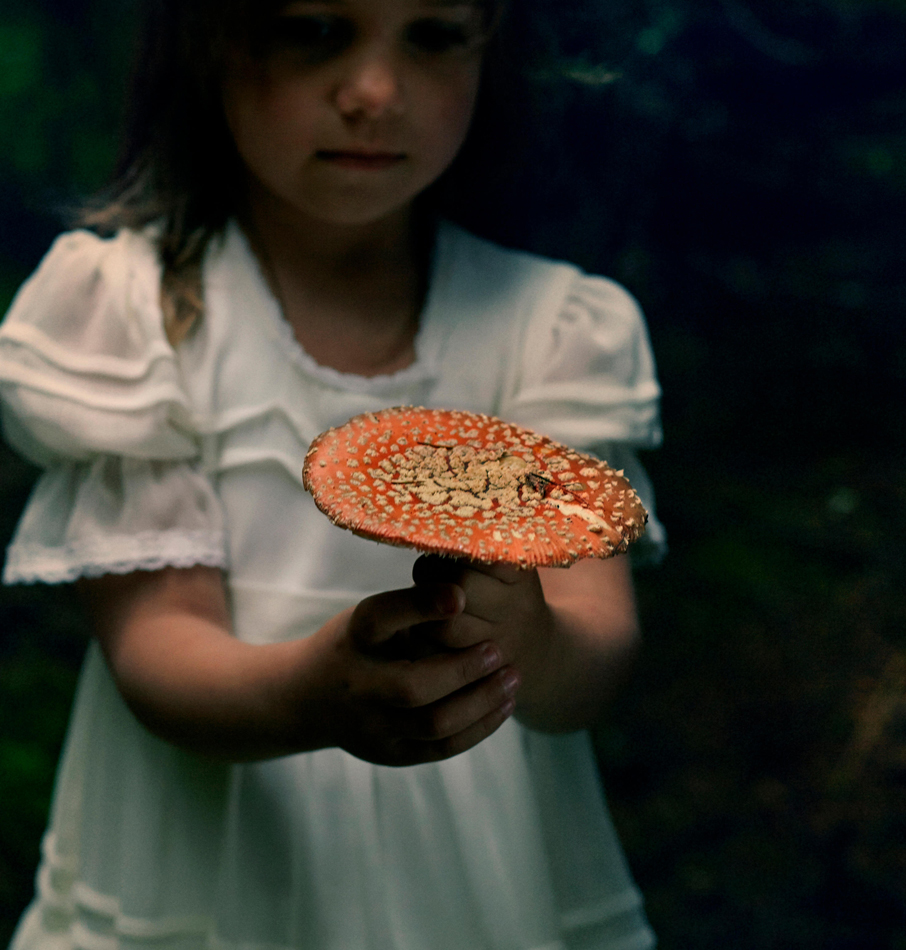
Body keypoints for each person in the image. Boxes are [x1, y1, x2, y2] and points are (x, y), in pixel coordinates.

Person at [0, 1, 665, 947]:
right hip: (207, 844)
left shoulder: (553, 328)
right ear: (205, 43)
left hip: (478, 865)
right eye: (314, 29)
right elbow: (156, 644)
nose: (376, 93)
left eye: (434, 35)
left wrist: (524, 638)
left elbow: (594, 652)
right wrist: (309, 693)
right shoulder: (137, 315)